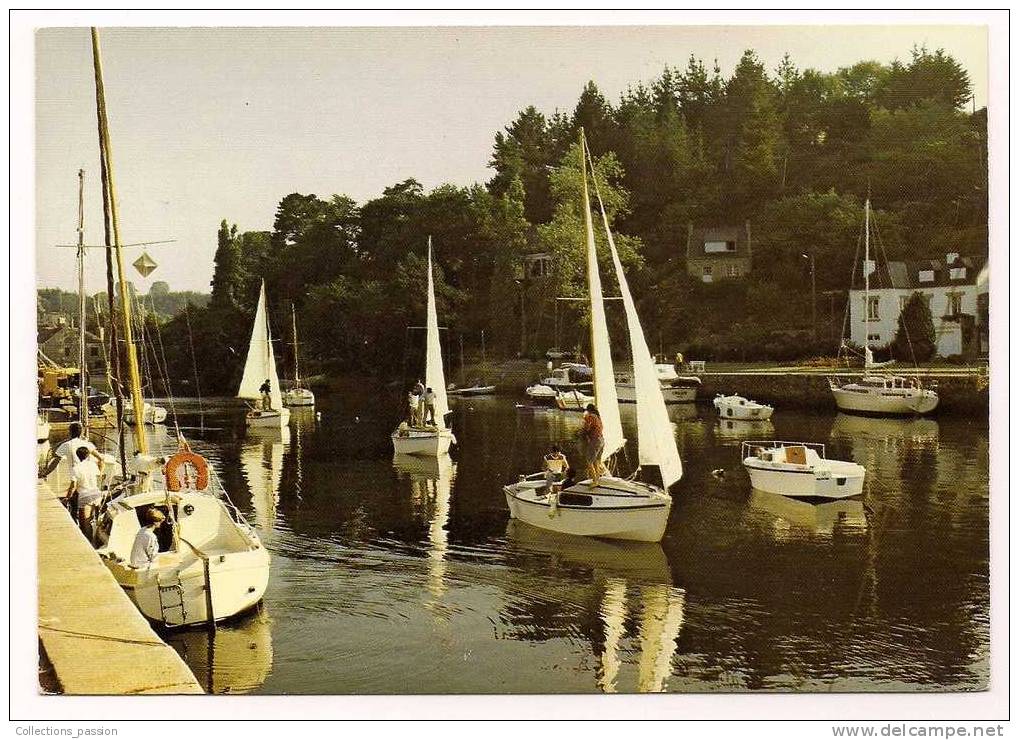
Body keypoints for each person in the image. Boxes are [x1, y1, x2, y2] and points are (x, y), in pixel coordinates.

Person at [67, 445, 104, 539]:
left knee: (85, 523)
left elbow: (73, 486)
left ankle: (89, 542)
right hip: (97, 494)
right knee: (98, 519)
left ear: (77, 456)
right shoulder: (92, 465)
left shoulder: (76, 468)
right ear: (88, 455)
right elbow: (100, 470)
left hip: (85, 496)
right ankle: (98, 539)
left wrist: (68, 497)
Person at [577, 404, 605, 486]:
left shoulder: (590, 416)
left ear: (588, 410)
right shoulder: (598, 417)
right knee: (596, 461)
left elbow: (587, 428)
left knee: (589, 461)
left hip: (595, 441)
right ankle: (597, 478)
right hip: (602, 440)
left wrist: (581, 431)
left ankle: (595, 481)